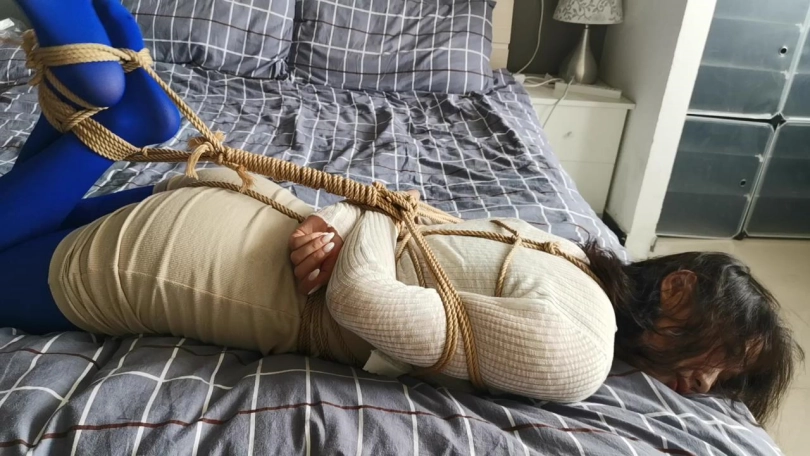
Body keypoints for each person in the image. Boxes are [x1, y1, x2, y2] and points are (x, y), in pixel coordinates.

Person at [0, 0, 802, 424]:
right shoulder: (579, 353)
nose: (704, 387)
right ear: (680, 289)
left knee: (28, 226)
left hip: (248, 212)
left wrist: (350, 221)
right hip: (199, 267)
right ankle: (115, 102)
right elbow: (363, 298)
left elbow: (406, 225)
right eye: (723, 362)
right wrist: (359, 224)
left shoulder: (566, 250)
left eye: (726, 386)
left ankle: (123, 88)